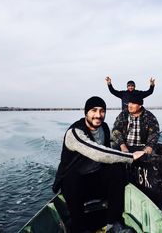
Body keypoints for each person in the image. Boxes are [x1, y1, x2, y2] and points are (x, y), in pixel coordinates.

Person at [52, 96, 145, 233]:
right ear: (86, 113)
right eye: (94, 110)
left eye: (102, 111)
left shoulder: (104, 128)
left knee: (117, 169)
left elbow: (111, 147)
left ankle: (113, 223)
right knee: (70, 178)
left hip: (96, 180)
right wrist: (130, 156)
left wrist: (126, 147)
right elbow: (98, 152)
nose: (98, 115)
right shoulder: (75, 133)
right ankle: (79, 227)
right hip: (76, 187)